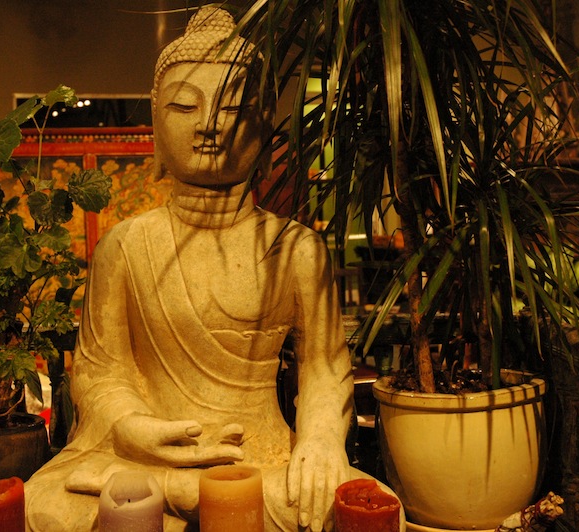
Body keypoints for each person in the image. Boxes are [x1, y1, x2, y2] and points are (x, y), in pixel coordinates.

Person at [25, 7, 405, 531]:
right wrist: (131, 424)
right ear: (156, 121)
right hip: (144, 455)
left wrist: (319, 442)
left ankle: (172, 498)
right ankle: (185, 496)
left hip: (259, 459)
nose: (208, 125)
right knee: (42, 504)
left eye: (232, 107)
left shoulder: (296, 248)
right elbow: (100, 372)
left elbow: (324, 368)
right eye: (184, 106)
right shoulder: (126, 246)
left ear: (264, 119)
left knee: (368, 507)